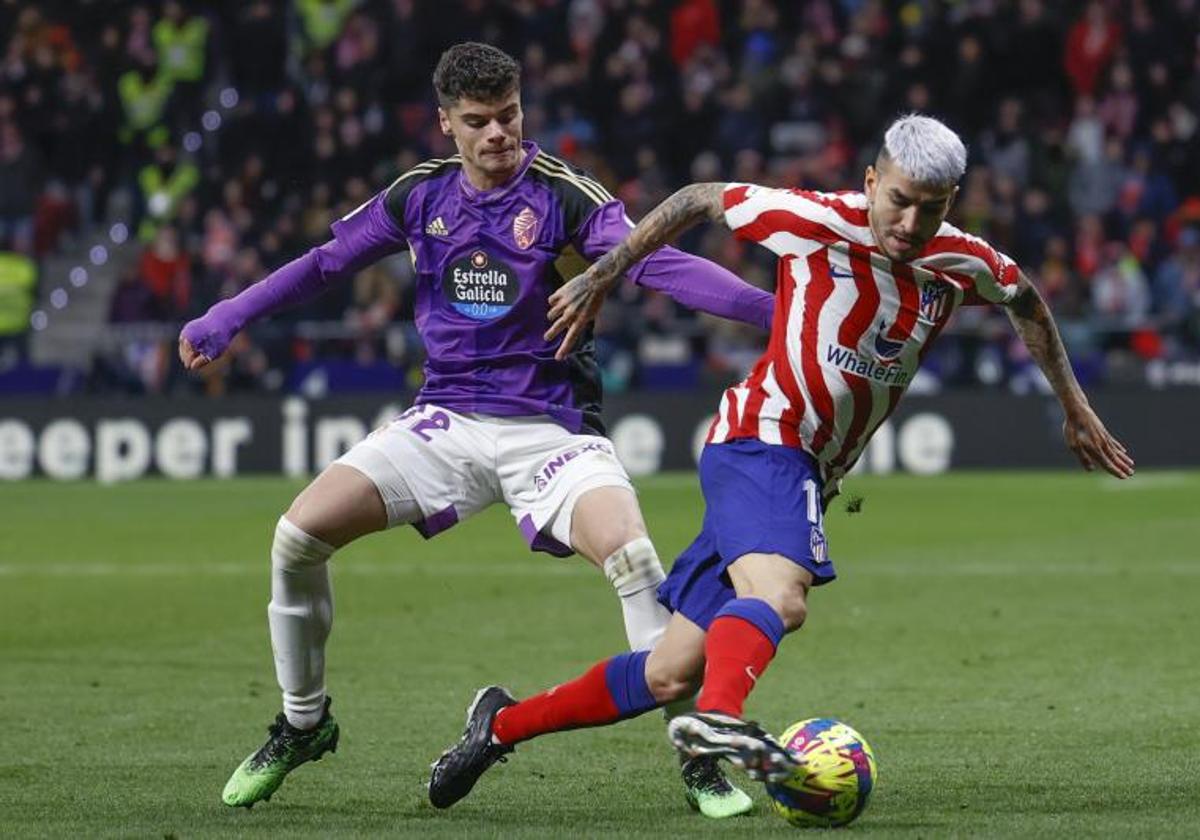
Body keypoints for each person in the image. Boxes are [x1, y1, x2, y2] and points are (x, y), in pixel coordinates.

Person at [427, 114, 1136, 809]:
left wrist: (1074, 405)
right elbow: (697, 199)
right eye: (899, 200)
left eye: (932, 208)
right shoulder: (814, 219)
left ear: (951, 202)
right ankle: (725, 720)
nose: (911, 222)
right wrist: (605, 273)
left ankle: (498, 725)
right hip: (766, 440)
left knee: (670, 673)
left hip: (807, 472)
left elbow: (1025, 299)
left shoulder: (962, 259)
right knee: (780, 598)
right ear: (871, 181)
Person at [178, 42, 772, 817]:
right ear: (447, 127)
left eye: (509, 116)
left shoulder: (565, 195)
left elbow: (662, 266)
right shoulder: (419, 197)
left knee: (632, 556)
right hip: (446, 423)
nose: (499, 134)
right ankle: (302, 724)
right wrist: (230, 315)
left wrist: (773, 313)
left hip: (552, 432)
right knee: (296, 536)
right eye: (479, 122)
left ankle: (695, 758)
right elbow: (326, 265)